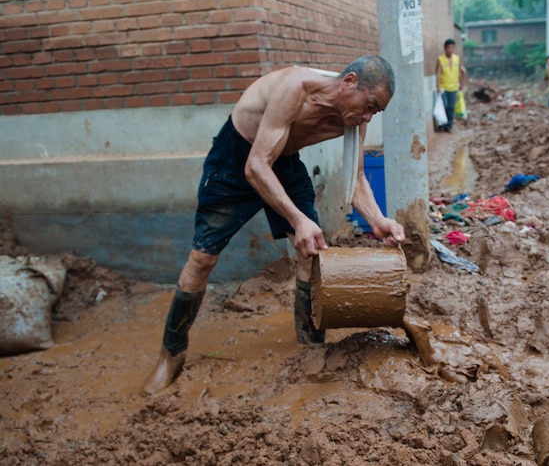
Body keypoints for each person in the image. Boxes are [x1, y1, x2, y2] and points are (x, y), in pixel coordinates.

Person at [141, 55, 405, 395]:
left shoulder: (354, 118)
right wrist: (298, 219)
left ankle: (311, 349)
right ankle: (171, 354)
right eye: (369, 106)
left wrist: (378, 220)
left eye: (376, 112)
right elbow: (255, 167)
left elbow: (355, 182)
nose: (368, 117)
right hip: (238, 158)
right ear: (349, 82)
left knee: (311, 249)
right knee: (203, 257)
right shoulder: (293, 88)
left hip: (283, 162)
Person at [435, 39, 467, 132]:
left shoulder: (457, 58)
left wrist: (461, 83)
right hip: (443, 87)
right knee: (444, 106)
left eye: (452, 47)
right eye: (449, 47)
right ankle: (442, 124)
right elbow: (438, 73)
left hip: (454, 87)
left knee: (451, 107)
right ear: (445, 48)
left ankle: (449, 125)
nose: (451, 50)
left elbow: (460, 72)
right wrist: (437, 87)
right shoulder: (440, 59)